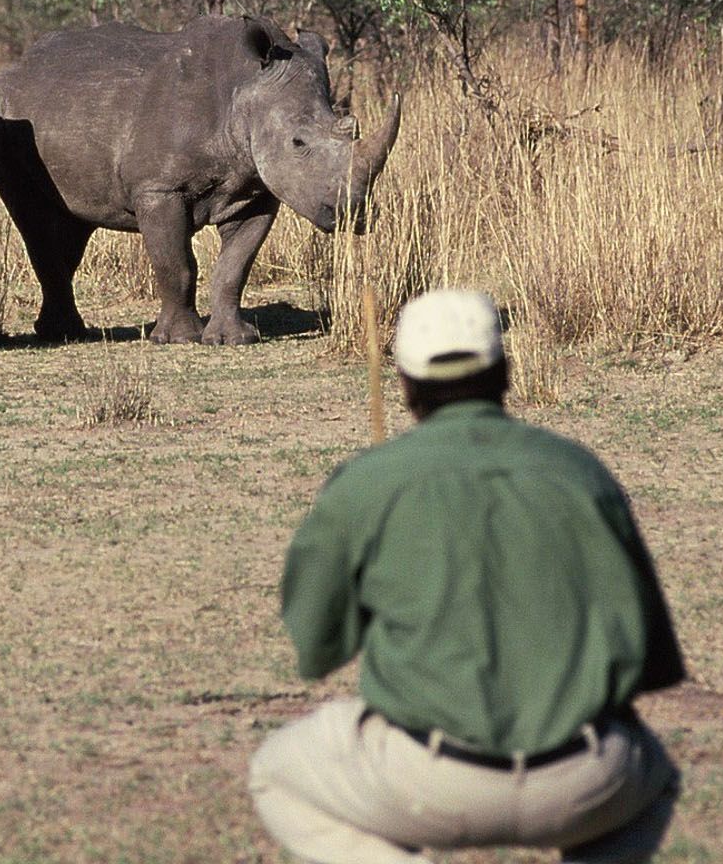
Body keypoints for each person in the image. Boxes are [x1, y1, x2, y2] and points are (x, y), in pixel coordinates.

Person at [248, 288, 687, 864]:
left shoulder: (368, 482)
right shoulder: (581, 473)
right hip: (582, 777)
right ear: (505, 371)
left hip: (429, 777)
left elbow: (316, 648)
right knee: (655, 778)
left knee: (277, 773)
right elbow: (651, 662)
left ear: (404, 384)